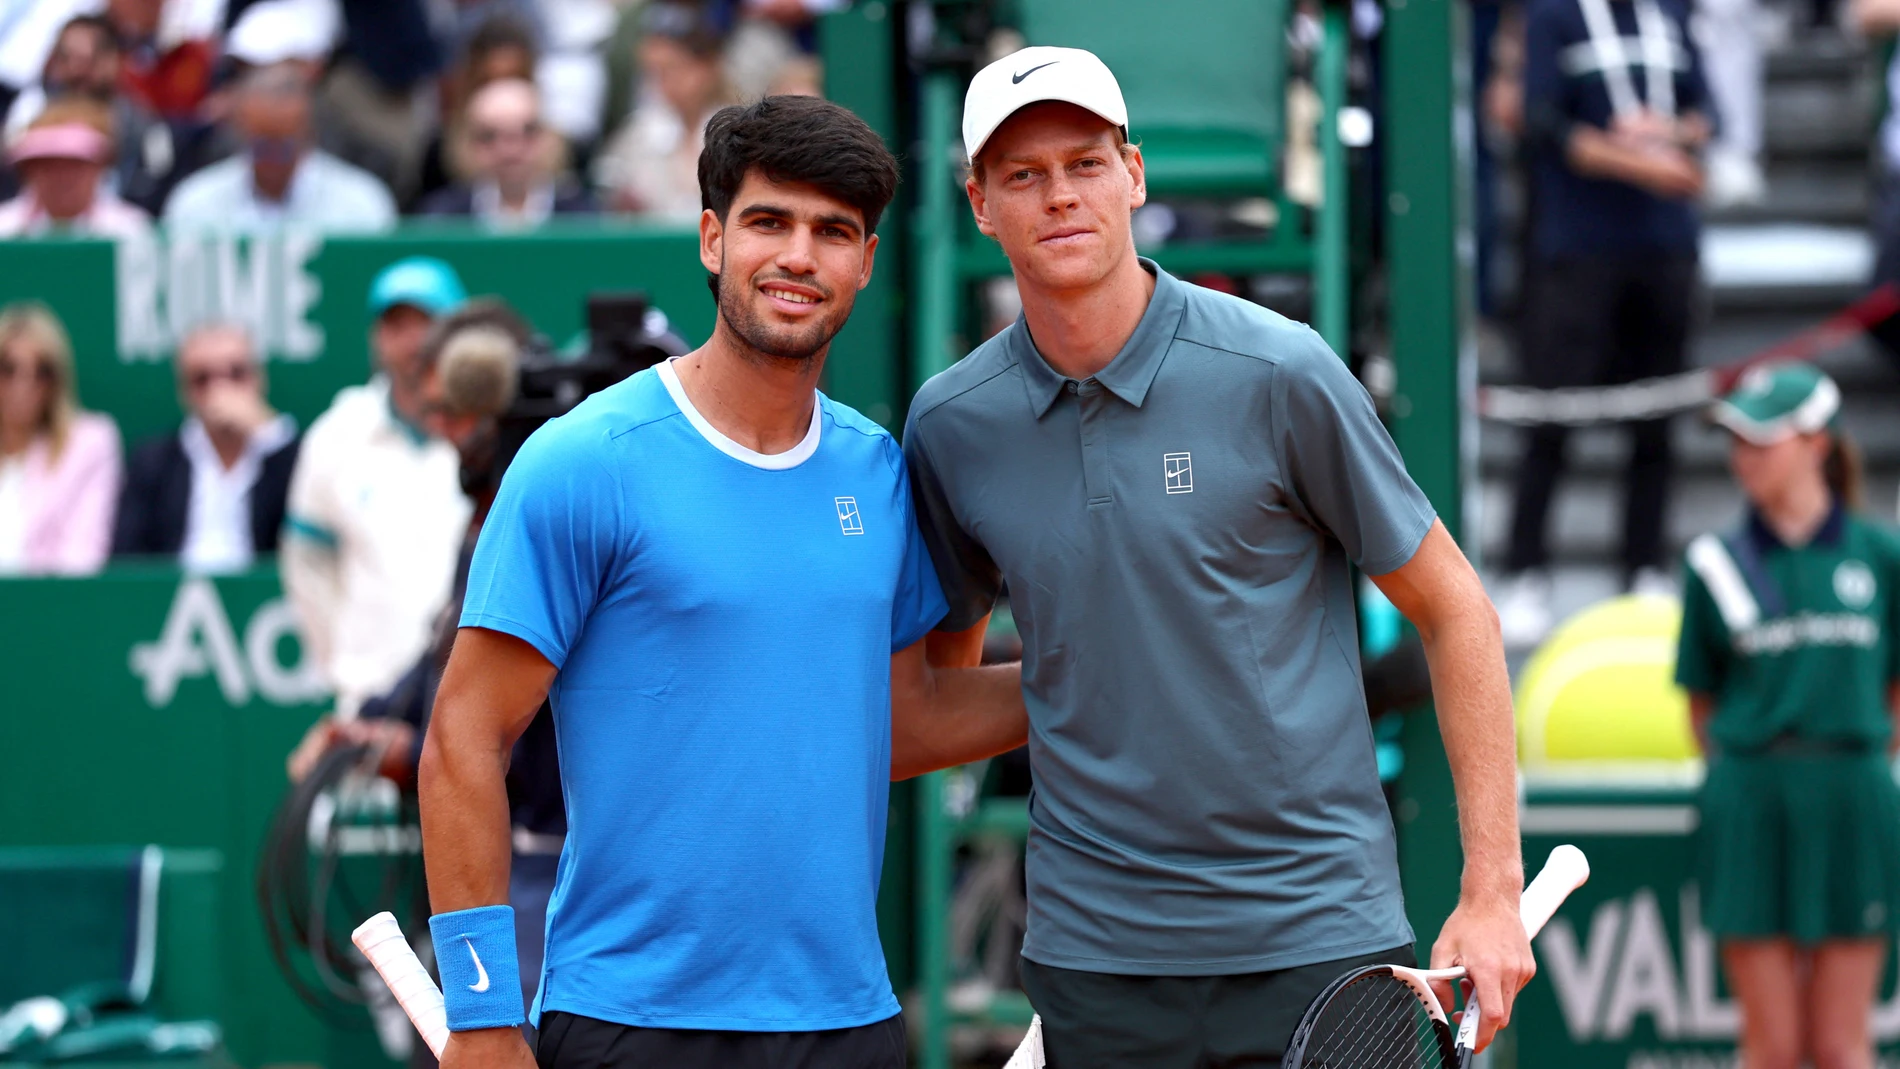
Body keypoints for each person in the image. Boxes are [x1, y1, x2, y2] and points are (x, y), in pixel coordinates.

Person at [901, 47, 1534, 1064]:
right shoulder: (952, 427)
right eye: (1023, 174)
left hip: (1317, 941)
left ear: (1133, 174)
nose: (1060, 195)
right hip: (1095, 963)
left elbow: (1455, 607)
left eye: (1085, 164)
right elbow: (929, 707)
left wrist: (1492, 889)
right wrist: (1100, 673)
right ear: (980, 204)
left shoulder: (1280, 370)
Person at [419, 95, 1028, 1069]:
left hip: (846, 1023)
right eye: (768, 222)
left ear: (867, 262)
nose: (798, 256)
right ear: (712, 239)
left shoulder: (878, 472)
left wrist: (1085, 679)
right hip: (633, 1024)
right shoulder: (585, 460)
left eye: (833, 232)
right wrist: (482, 1012)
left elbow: (901, 724)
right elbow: (463, 736)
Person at [1676, 362, 1900, 1069]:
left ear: (1816, 443)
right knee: (1771, 1048)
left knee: (1840, 1046)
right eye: (1736, 441)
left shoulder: (1881, 555)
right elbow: (1700, 703)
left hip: (1855, 795)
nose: (1743, 457)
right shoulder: (1713, 562)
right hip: (1749, 798)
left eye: (1761, 440)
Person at [1492, 0, 1713, 647]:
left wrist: (1669, 132)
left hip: (1665, 247)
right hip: (1577, 249)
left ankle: (1645, 564)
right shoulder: (1554, 16)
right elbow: (1541, 123)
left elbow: (1707, 113)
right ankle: (1526, 569)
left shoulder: (1670, 13)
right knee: (1550, 416)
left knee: (1657, 417)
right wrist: (1638, 160)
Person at [281, 257, 471, 719]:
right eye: (397, 325)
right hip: (368, 703)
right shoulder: (336, 435)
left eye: (427, 321)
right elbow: (307, 563)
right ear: (377, 339)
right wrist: (347, 667)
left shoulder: (488, 432)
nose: (414, 341)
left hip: (472, 701)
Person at [112, 322, 300, 573]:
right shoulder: (153, 461)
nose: (220, 390)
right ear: (184, 390)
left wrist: (269, 431)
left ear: (259, 379)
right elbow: (127, 561)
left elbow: (308, 538)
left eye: (236, 374)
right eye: (202, 379)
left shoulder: (285, 452)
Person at [164, 62, 397, 233]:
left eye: (283, 146)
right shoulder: (195, 204)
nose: (272, 158)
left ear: (308, 134)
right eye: (261, 146)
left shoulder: (360, 204)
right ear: (241, 135)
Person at [2, 15, 177, 214]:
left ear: (116, 60)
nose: (77, 70)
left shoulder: (146, 132)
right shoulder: (27, 120)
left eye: (90, 59)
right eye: (66, 58)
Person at [0, 302, 121, 576]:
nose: (23, 384)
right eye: (8, 368)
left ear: (57, 379)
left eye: (41, 371)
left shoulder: (88, 443)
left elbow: (81, 559)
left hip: (45, 600)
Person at [593, 3, 737, 221]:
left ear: (707, 67)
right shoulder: (636, 134)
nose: (663, 83)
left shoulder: (736, 130)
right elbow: (607, 188)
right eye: (654, 72)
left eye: (673, 68)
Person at [417, 78, 595, 228]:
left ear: (549, 137)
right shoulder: (441, 218)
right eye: (489, 136)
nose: (510, 150)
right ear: (467, 143)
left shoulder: (584, 217)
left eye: (527, 131)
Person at [0, 100, 153, 239]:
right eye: (48, 166)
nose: (61, 177)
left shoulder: (131, 230)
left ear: (100, 165)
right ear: (28, 170)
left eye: (75, 165)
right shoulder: (4, 229)